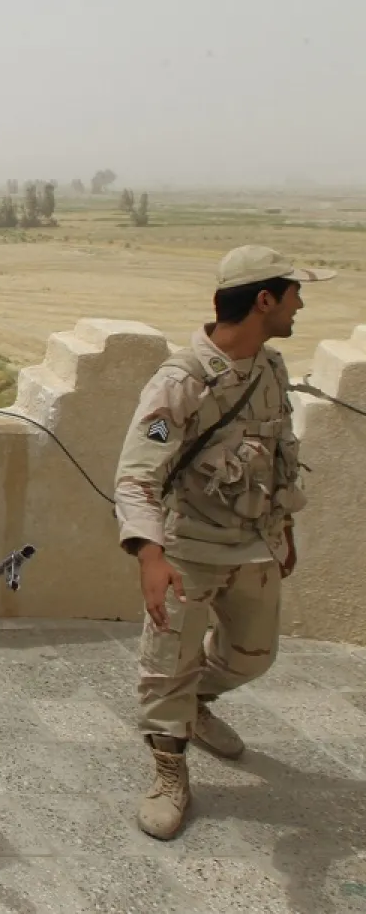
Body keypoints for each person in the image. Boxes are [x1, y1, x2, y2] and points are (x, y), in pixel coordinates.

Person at [113, 244, 334, 840]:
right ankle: (168, 770)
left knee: (253, 656)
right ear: (264, 299)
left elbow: (278, 456)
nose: (300, 305)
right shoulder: (180, 382)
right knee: (166, 669)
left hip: (254, 545)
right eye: (293, 294)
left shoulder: (271, 368)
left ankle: (193, 706)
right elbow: (136, 476)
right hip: (189, 551)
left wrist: (282, 530)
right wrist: (150, 555)